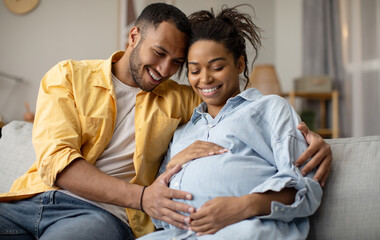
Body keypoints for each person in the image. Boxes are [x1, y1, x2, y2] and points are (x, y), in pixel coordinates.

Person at [0, 3, 330, 240]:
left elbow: (234, 107)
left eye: (177, 63)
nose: (165, 70)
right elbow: (56, 162)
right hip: (31, 199)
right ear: (133, 37)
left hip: (100, 216)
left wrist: (310, 138)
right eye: (159, 53)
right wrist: (145, 196)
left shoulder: (180, 97)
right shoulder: (69, 75)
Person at [139, 5, 323, 240]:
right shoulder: (184, 131)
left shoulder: (269, 109)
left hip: (246, 227)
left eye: (217, 67)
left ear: (240, 65)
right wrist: (176, 161)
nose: (205, 79)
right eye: (194, 71)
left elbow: (304, 186)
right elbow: (157, 210)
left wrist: (242, 206)